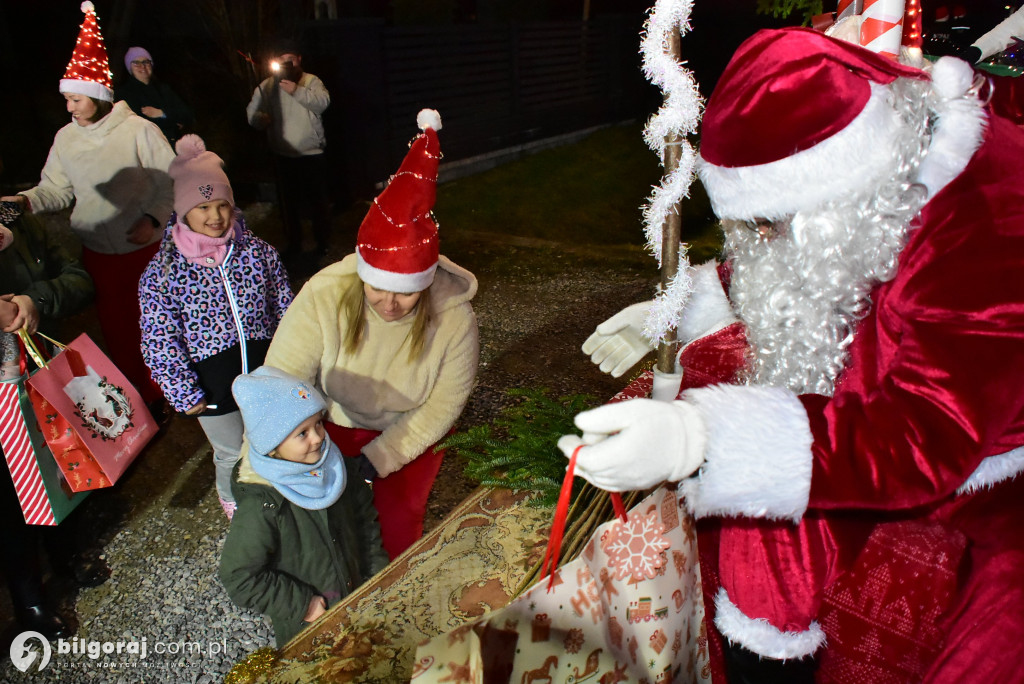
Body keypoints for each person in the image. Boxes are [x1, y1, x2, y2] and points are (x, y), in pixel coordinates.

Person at [564, 28, 1024, 683]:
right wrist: (675, 308)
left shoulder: (991, 216)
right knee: (764, 526)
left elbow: (930, 432)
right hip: (872, 387)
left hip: (1001, 459)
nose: (758, 243)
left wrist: (703, 435)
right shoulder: (855, 186)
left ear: (843, 172)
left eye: (770, 223)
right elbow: (790, 260)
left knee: (1005, 632)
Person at [263, 110, 479, 560]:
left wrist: (379, 459)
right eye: (377, 287)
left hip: (407, 434)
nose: (389, 304)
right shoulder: (326, 293)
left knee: (394, 534)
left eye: (405, 294)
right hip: (329, 426)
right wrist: (267, 458)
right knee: (330, 535)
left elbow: (442, 405)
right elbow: (281, 379)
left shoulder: (454, 319)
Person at [1, 2, 174, 412]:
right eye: (67, 99)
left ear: (98, 97)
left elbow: (172, 182)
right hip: (98, 253)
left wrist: (153, 220)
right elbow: (55, 189)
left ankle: (170, 387)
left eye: (77, 99)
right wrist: (24, 201)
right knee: (117, 329)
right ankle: (140, 397)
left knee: (158, 325)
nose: (70, 107)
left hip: (145, 250)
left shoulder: (139, 130)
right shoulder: (66, 138)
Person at [138, 135, 293, 520]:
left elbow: (285, 305)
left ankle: (279, 494)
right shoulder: (164, 272)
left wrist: (294, 357)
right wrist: (181, 389)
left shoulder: (258, 252)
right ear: (182, 211)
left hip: (264, 370)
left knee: (272, 438)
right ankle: (235, 504)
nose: (215, 216)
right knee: (230, 451)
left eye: (222, 205)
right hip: (210, 384)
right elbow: (159, 338)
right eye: (202, 206)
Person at [220, 366, 389, 647]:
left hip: (359, 597)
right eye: (302, 433)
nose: (318, 437)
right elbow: (239, 577)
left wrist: (378, 575)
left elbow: (364, 522)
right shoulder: (262, 506)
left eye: (318, 424)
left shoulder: (338, 468)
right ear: (272, 447)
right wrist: (303, 604)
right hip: (310, 627)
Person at [0, 200, 107, 640]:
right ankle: (29, 598)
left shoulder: (18, 221)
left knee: (62, 463)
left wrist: (33, 299)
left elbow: (79, 280)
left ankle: (67, 554)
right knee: (7, 499)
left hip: (40, 377)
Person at [245, 39, 332, 262]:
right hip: (283, 155)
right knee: (289, 206)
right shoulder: (266, 87)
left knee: (317, 203)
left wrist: (297, 91)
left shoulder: (311, 81)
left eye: (290, 60)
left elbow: (323, 103)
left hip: (311, 154)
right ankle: (294, 244)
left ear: (299, 59)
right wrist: (260, 120)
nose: (286, 65)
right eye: (281, 61)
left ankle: (323, 244)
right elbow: (252, 114)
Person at [115, 46, 195, 147]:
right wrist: (173, 120)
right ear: (129, 67)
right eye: (136, 63)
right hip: (147, 150)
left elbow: (187, 115)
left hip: (175, 148)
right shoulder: (124, 94)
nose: (142, 66)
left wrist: (162, 113)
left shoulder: (164, 89)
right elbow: (137, 125)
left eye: (146, 62)